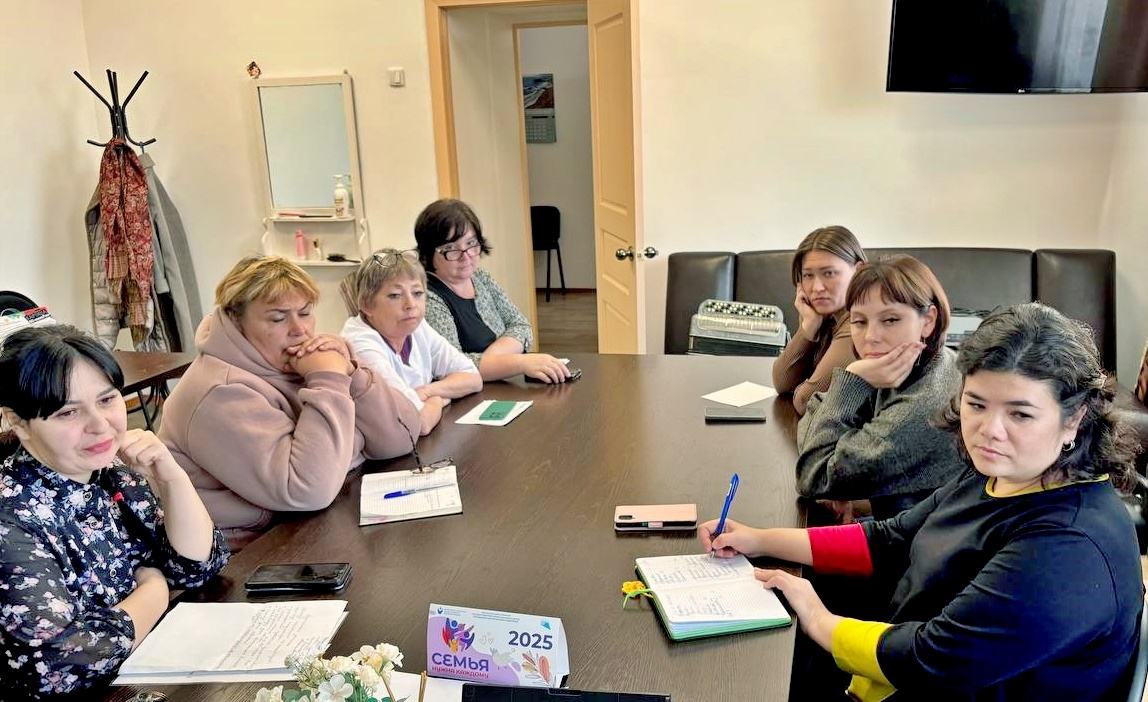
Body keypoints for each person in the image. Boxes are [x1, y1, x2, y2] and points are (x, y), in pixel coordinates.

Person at [702, 303, 1143, 701]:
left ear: (1074, 419)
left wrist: (818, 619)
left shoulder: (1068, 547)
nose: (989, 430)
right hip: (902, 652)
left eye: (1020, 414)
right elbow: (892, 539)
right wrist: (760, 540)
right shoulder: (1002, 472)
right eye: (976, 404)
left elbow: (933, 659)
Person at [0, 326, 228, 698]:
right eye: (68, 412)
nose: (100, 425)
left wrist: (171, 478)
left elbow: (197, 566)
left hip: (140, 675)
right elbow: (62, 662)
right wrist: (154, 591)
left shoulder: (111, 473)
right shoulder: (9, 517)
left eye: (107, 399)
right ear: (17, 421)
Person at [160, 255, 421, 551]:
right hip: (238, 555)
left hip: (302, 525)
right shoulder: (220, 391)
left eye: (305, 313)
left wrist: (351, 372)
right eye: (278, 318)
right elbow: (308, 489)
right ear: (236, 320)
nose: (300, 330)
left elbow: (403, 437)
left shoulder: (294, 358)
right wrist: (329, 382)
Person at [796, 255, 963, 521]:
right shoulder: (908, 363)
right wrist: (836, 480)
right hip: (893, 521)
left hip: (910, 542)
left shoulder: (925, 404)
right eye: (859, 321)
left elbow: (812, 474)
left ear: (928, 321)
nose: (871, 337)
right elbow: (814, 408)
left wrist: (852, 380)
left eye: (890, 320)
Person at [415, 198, 572, 383]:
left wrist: (492, 361)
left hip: (502, 383)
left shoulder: (480, 277)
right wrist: (520, 363)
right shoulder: (427, 297)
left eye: (471, 243)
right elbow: (452, 366)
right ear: (429, 252)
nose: (466, 256)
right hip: (465, 395)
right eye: (451, 248)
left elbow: (521, 326)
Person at [341, 249, 482, 435]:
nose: (411, 305)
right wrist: (440, 399)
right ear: (367, 305)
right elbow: (418, 423)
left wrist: (427, 391)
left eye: (417, 293)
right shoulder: (359, 344)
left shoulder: (415, 325)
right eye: (395, 295)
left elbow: (473, 378)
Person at [772, 225, 867, 415]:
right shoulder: (824, 315)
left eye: (829, 273)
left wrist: (803, 387)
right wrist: (808, 327)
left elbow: (807, 401)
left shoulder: (859, 323)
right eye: (808, 275)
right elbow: (782, 383)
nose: (817, 288)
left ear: (858, 270)